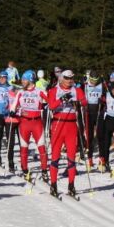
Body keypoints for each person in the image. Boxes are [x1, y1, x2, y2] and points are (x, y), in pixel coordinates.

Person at [46, 69, 87, 198]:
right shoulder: (54, 90)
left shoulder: (77, 90)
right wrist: (62, 99)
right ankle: (53, 185)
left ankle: (71, 185)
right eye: (67, 78)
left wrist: (78, 102)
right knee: (55, 156)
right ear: (61, 79)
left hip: (71, 126)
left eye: (71, 78)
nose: (70, 81)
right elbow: (51, 106)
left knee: (71, 157)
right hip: (58, 124)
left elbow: (85, 102)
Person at [11, 70, 48, 181]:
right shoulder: (20, 92)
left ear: (30, 80)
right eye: (22, 79)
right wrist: (12, 111)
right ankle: (25, 170)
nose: (22, 81)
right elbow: (14, 105)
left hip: (36, 122)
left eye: (24, 79)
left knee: (42, 147)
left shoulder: (39, 91)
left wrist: (49, 105)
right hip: (24, 123)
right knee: (24, 147)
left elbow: (51, 99)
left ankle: (44, 170)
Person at [82, 72, 104, 169]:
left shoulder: (101, 86)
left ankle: (101, 158)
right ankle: (90, 158)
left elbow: (106, 97)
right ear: (89, 78)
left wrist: (102, 100)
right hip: (88, 113)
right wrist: (84, 103)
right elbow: (80, 96)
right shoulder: (85, 86)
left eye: (95, 80)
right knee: (90, 136)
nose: (93, 82)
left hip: (98, 112)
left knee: (100, 135)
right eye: (92, 80)